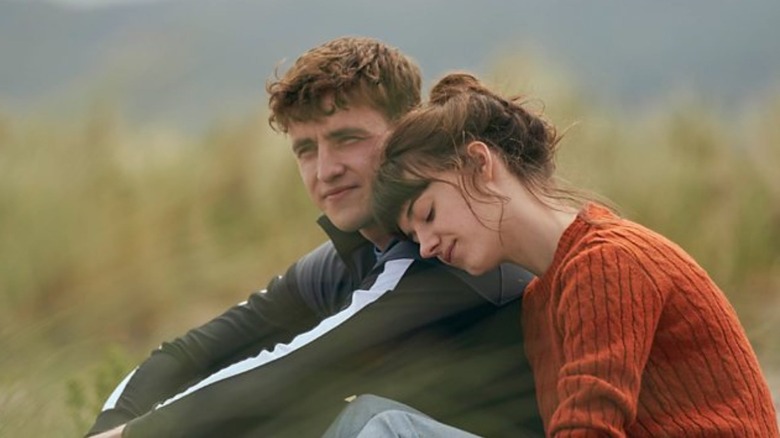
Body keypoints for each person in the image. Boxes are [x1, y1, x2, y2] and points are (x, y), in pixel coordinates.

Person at [85, 38, 544, 437]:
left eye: (348, 139)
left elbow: (294, 370)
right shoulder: (347, 259)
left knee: (363, 420)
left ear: (405, 130)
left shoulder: (452, 257)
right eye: (306, 149)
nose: (326, 170)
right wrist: (109, 427)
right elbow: (193, 353)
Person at [361, 71, 780, 436]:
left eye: (428, 214)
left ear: (479, 164)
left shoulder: (608, 260)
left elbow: (589, 429)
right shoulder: (541, 301)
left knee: (389, 429)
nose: (428, 245)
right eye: (416, 237)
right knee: (375, 415)